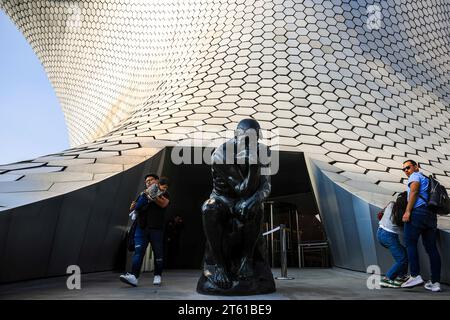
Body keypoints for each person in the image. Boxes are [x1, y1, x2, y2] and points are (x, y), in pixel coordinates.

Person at [197, 118, 275, 295]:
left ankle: (246, 260)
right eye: (246, 140)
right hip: (223, 199)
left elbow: (266, 186)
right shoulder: (221, 153)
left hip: (245, 198)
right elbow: (242, 188)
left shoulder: (264, 151)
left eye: (254, 140)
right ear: (236, 137)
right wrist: (254, 165)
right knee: (209, 208)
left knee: (256, 208)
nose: (250, 144)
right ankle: (219, 265)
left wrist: (256, 199)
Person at [120, 176, 170, 287]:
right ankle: (134, 277)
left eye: (150, 180)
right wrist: (133, 206)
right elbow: (134, 207)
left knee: (158, 253)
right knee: (138, 252)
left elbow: (164, 204)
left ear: (157, 181)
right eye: (146, 181)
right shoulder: (142, 194)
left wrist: (150, 195)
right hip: (141, 228)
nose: (148, 182)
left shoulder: (164, 193)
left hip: (156, 229)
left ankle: (157, 275)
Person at [401, 160, 442, 292]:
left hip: (417, 213)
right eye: (404, 169)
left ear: (416, 167)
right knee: (432, 249)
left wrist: (407, 211)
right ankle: (435, 283)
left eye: (408, 167)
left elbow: (414, 191)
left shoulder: (415, 176)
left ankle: (415, 275)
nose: (406, 170)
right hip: (431, 216)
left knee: (410, 243)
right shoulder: (428, 180)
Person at [377, 192, 408, 288]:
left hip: (380, 232)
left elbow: (380, 215)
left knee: (403, 253)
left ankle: (401, 277)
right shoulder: (404, 212)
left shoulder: (391, 204)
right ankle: (387, 279)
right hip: (389, 236)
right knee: (402, 259)